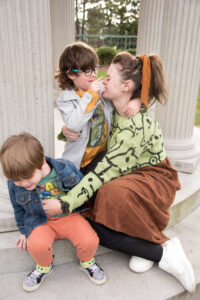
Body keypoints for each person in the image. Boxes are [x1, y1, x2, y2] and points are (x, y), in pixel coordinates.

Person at [41, 52, 196, 293]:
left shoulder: (133, 127)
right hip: (127, 168)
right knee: (98, 200)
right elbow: (89, 125)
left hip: (153, 178)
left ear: (126, 86)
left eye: (108, 77)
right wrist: (65, 131)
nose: (102, 79)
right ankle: (142, 244)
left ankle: (163, 252)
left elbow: (103, 172)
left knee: (107, 195)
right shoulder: (113, 102)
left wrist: (64, 205)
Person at [0, 132, 106, 292]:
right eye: (17, 180)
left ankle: (86, 261)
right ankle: (44, 267)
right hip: (40, 221)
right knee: (36, 245)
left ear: (42, 162)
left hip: (69, 216)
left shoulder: (65, 169)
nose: (22, 184)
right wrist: (24, 231)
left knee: (89, 240)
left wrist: (65, 204)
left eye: (27, 177)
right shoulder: (15, 183)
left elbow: (83, 191)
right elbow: (18, 208)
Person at [55, 41, 141, 169]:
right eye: (87, 71)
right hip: (78, 163)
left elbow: (125, 91)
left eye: (95, 68)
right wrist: (90, 95)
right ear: (71, 74)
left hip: (101, 155)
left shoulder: (101, 90)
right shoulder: (65, 100)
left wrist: (137, 100)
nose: (94, 74)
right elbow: (74, 124)